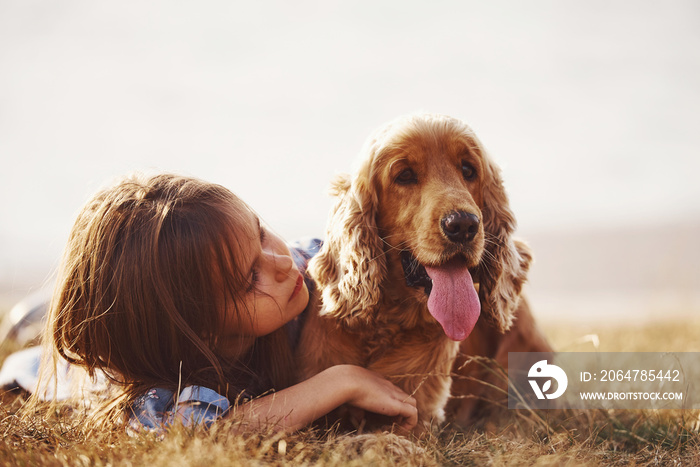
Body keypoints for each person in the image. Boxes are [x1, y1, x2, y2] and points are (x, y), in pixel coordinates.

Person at [31, 172, 417, 433]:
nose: (283, 264)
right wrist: (341, 381)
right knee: (32, 357)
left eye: (262, 233)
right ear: (198, 327)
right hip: (78, 365)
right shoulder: (161, 388)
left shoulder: (300, 266)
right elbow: (208, 433)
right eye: (251, 277)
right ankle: (32, 319)